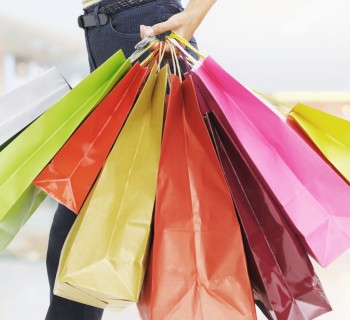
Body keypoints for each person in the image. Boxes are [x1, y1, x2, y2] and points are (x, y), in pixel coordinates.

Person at [45, 0, 216, 319]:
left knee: (80, 245)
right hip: (109, 34)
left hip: (145, 30)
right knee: (77, 250)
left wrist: (195, 13)